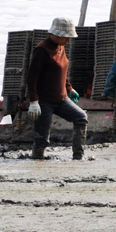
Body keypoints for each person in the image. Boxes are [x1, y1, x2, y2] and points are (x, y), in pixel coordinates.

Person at [25, 17, 88, 160]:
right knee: (41, 137)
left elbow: (61, 71)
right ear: (57, 34)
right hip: (44, 101)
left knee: (81, 118)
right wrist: (33, 101)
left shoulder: (61, 47)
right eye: (67, 37)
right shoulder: (42, 50)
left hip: (61, 99)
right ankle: (37, 161)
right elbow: (32, 77)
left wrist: (69, 89)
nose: (68, 40)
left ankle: (78, 157)